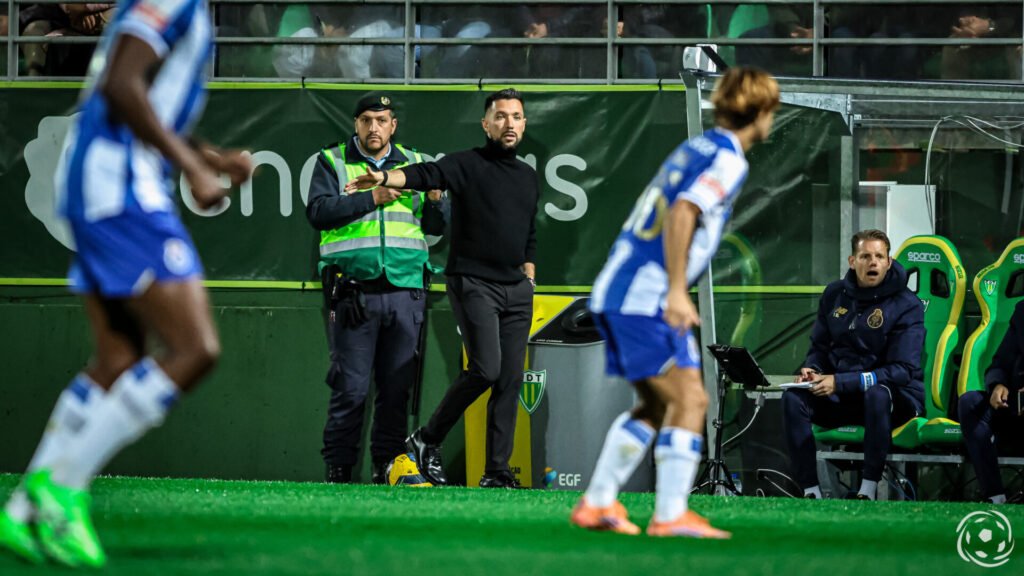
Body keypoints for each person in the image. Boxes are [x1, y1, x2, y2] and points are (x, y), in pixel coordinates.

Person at [0, 0, 250, 567]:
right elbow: (119, 85)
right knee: (194, 348)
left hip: (101, 179)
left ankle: (20, 510)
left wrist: (207, 156)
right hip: (119, 188)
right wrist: (190, 166)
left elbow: (140, 100)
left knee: (117, 359)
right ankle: (64, 489)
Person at [571, 67, 779, 538]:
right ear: (761, 111)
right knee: (690, 399)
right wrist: (676, 290)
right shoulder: (728, 159)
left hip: (624, 289)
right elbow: (685, 209)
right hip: (643, 298)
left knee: (657, 406)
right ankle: (669, 515)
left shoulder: (696, 147)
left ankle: (599, 503)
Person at [345, 88, 538, 489]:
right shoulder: (465, 164)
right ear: (486, 124)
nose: (509, 123)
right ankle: (426, 439)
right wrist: (383, 176)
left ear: (523, 123)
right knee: (486, 368)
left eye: (516, 116)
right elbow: (424, 175)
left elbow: (529, 230)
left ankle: (497, 472)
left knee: (509, 380)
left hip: (516, 289)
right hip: (473, 282)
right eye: (500, 116)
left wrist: (529, 274)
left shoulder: (527, 176)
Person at [306, 93, 448, 484]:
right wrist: (373, 197)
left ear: (393, 125)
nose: (374, 128)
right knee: (350, 389)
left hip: (406, 289)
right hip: (354, 292)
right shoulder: (332, 161)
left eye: (382, 120)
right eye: (367, 120)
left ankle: (386, 466)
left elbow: (436, 226)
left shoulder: (417, 163)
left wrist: (437, 201)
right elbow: (318, 213)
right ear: (356, 124)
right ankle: (339, 470)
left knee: (395, 389)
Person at [783, 229, 925, 501]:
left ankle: (867, 490)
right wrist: (812, 368)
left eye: (879, 256)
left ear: (889, 261)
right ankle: (811, 492)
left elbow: (902, 371)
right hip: (844, 396)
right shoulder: (835, 294)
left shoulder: (907, 305)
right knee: (793, 398)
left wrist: (840, 382)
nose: (873, 262)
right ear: (852, 261)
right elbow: (820, 348)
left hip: (896, 398)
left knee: (877, 394)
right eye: (865, 256)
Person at [959, 301, 1024, 504]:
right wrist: (998, 384)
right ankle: (995, 497)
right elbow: (1000, 362)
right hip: (1016, 404)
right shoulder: (1022, 311)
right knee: (969, 403)